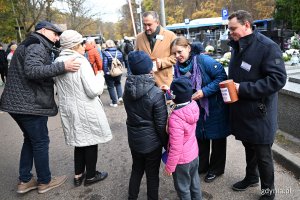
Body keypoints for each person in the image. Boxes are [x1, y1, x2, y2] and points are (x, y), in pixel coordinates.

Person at [0, 20, 81, 194]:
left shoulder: (31, 42)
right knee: (40, 141)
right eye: (55, 33)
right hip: (29, 104)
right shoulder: (37, 44)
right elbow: (32, 71)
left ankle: (25, 180)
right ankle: (45, 181)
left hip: (18, 104)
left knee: (30, 139)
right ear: (43, 30)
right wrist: (63, 66)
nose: (57, 36)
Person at [227, 10, 287, 200]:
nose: (230, 33)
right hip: (243, 110)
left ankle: (269, 192)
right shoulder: (237, 46)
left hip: (260, 112)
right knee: (248, 146)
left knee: (263, 154)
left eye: (233, 29)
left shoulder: (267, 47)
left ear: (246, 25)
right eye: (229, 29)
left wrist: (241, 88)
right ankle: (252, 177)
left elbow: (277, 80)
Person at [54, 30, 112, 187]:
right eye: (81, 44)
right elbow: (93, 90)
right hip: (85, 107)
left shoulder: (57, 62)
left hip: (69, 109)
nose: (84, 47)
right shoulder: (80, 61)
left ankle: (78, 175)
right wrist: (99, 76)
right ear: (73, 46)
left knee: (79, 141)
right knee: (91, 141)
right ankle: (91, 176)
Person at [170, 36, 230, 183]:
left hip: (214, 106)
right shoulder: (178, 66)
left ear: (188, 48)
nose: (177, 56)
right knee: (200, 138)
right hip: (195, 108)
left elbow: (221, 76)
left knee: (217, 139)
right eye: (174, 53)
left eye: (179, 52)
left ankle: (216, 169)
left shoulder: (204, 61)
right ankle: (202, 166)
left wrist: (204, 92)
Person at [123, 51, 168, 200]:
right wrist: (167, 143)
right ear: (150, 68)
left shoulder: (127, 89)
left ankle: (132, 197)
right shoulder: (156, 93)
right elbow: (161, 125)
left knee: (136, 169)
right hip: (152, 143)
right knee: (152, 175)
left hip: (134, 139)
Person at [164, 77, 202, 200]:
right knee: (195, 183)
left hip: (181, 161)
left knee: (183, 188)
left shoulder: (176, 118)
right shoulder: (193, 106)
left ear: (175, 97)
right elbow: (176, 96)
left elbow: (176, 146)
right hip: (194, 155)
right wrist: (167, 91)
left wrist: (170, 166)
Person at [135, 11, 177, 87]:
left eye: (149, 25)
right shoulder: (139, 38)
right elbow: (136, 57)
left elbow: (176, 56)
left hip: (164, 82)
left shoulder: (170, 35)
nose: (147, 28)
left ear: (157, 22)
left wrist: (162, 62)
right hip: (145, 83)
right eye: (144, 25)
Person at [102, 39, 124, 107]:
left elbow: (105, 64)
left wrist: (106, 72)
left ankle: (114, 102)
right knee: (118, 84)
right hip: (118, 72)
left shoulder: (105, 53)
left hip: (109, 72)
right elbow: (121, 62)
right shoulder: (119, 52)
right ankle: (120, 97)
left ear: (107, 45)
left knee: (111, 87)